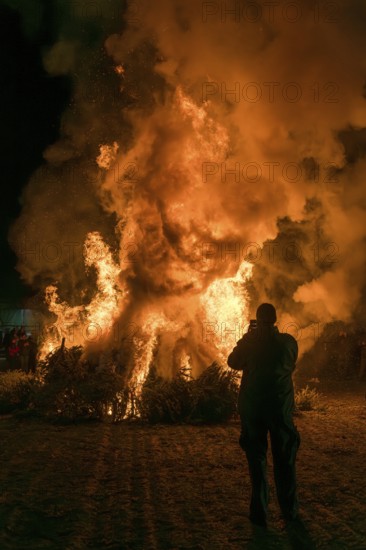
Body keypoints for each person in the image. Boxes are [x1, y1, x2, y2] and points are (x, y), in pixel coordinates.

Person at [227, 303, 300, 527]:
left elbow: (233, 362)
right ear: (275, 320)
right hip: (279, 409)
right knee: (285, 460)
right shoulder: (288, 342)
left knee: (257, 462)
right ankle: (289, 512)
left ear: (257, 321)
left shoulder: (250, 343)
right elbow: (289, 363)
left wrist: (247, 338)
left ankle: (259, 513)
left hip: (254, 410)